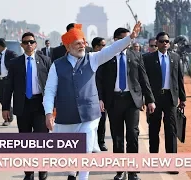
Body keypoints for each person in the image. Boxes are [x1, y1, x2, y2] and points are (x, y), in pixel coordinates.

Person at [43, 22, 143, 180]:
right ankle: (71, 171)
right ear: (68, 47)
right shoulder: (57, 65)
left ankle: (83, 177)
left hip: (89, 113)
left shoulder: (92, 59)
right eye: (78, 44)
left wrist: (129, 38)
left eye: (83, 42)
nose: (82, 46)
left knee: (86, 148)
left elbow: (111, 50)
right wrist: (49, 113)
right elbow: (49, 91)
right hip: (66, 116)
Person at [97, 28, 155, 180]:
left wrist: (150, 100)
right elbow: (100, 80)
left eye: (130, 39)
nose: (129, 41)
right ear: (116, 40)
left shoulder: (136, 55)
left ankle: (133, 171)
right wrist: (100, 98)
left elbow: (144, 79)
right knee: (117, 137)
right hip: (114, 101)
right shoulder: (106, 57)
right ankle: (119, 170)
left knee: (133, 135)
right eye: (125, 39)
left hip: (132, 101)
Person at [2, 32, 51, 180]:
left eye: (31, 42)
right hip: (22, 106)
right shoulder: (15, 63)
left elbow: (52, 85)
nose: (29, 44)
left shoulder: (45, 60)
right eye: (25, 42)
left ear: (35, 44)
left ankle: (42, 170)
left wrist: (54, 107)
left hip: (40, 106)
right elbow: (8, 86)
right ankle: (28, 173)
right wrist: (5, 107)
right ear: (22, 45)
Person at [142, 32, 186, 175]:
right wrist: (147, 99)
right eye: (161, 41)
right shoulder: (148, 58)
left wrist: (182, 98)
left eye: (167, 41)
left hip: (170, 98)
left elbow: (179, 79)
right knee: (154, 129)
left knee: (171, 131)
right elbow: (145, 81)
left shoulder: (175, 57)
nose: (165, 43)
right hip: (154, 99)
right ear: (157, 42)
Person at [91, 37, 108, 151]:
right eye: (102, 45)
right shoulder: (88, 59)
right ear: (96, 47)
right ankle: (91, 143)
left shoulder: (106, 59)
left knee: (102, 120)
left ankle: (101, 142)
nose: (104, 47)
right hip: (89, 95)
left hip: (103, 95)